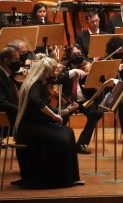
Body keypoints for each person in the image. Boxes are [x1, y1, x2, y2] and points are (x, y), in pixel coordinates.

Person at [13, 55, 83, 189]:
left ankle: (70, 178)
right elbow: (36, 102)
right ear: (45, 72)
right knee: (62, 138)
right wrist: (54, 116)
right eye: (51, 72)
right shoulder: (34, 85)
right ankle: (59, 179)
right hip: (30, 129)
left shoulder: (42, 85)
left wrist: (65, 111)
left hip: (37, 126)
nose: (53, 75)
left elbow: (49, 107)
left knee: (67, 132)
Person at [60, 44, 102, 154]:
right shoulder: (63, 67)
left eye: (80, 54)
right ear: (69, 56)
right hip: (67, 100)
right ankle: (60, 142)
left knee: (95, 115)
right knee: (61, 117)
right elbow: (58, 80)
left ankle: (81, 143)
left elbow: (95, 85)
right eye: (75, 54)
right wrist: (71, 72)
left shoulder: (88, 65)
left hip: (84, 100)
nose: (78, 56)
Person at [0, 46, 21, 138]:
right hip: (9, 121)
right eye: (16, 59)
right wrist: (21, 110)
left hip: (15, 116)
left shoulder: (9, 74)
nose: (18, 62)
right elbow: (2, 103)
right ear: (6, 60)